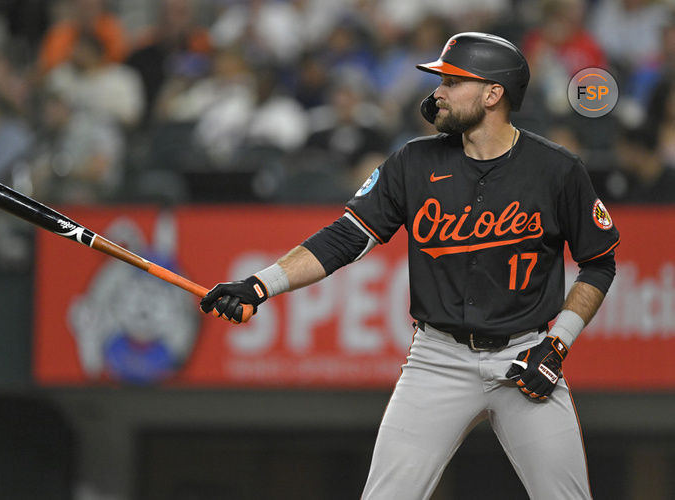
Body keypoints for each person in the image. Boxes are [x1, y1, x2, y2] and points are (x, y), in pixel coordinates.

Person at [200, 32, 620, 499]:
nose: (436, 92)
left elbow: (599, 264)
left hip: (524, 354)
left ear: (492, 93)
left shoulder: (556, 169)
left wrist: (557, 344)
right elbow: (345, 237)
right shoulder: (413, 161)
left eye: (451, 81)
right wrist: (260, 285)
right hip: (438, 359)